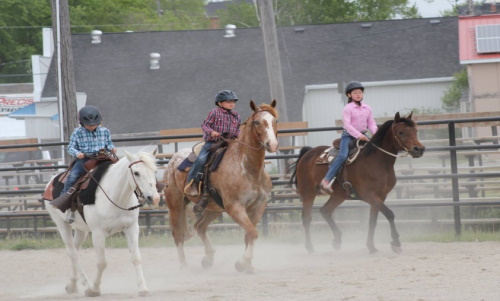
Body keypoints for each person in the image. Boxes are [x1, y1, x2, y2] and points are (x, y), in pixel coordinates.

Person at [60, 105, 116, 223]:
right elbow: (70, 147)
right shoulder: (77, 132)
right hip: (85, 159)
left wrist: (112, 148)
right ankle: (65, 200)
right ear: (82, 123)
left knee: (122, 169)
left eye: (93, 124)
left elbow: (109, 144)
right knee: (73, 176)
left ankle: (137, 194)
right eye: (88, 125)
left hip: (102, 157)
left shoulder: (105, 131)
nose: (91, 127)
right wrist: (77, 153)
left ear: (98, 122)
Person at [321, 81, 377, 192]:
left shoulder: (367, 108)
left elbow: (371, 123)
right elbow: (348, 125)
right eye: (355, 92)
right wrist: (359, 135)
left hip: (363, 135)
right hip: (348, 136)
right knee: (343, 156)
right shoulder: (348, 108)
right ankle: (327, 179)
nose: (358, 94)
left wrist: (375, 134)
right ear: (349, 95)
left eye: (360, 92)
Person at [184, 90, 242, 199]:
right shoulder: (214, 113)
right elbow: (205, 125)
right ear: (220, 103)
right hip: (213, 143)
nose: (231, 104)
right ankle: (193, 182)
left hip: (230, 143)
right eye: (228, 101)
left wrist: (239, 135)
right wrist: (212, 132)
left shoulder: (236, 116)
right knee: (201, 159)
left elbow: (237, 130)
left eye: (233, 101)